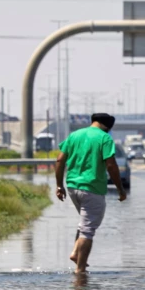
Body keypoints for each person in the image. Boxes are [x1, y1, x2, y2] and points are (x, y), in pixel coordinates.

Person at [55, 113, 127, 273]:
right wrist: (120, 190)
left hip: (73, 188)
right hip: (92, 189)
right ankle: (80, 269)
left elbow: (59, 160)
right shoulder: (105, 138)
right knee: (88, 230)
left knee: (84, 223)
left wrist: (59, 185)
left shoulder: (75, 135)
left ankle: (75, 253)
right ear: (108, 127)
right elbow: (111, 165)